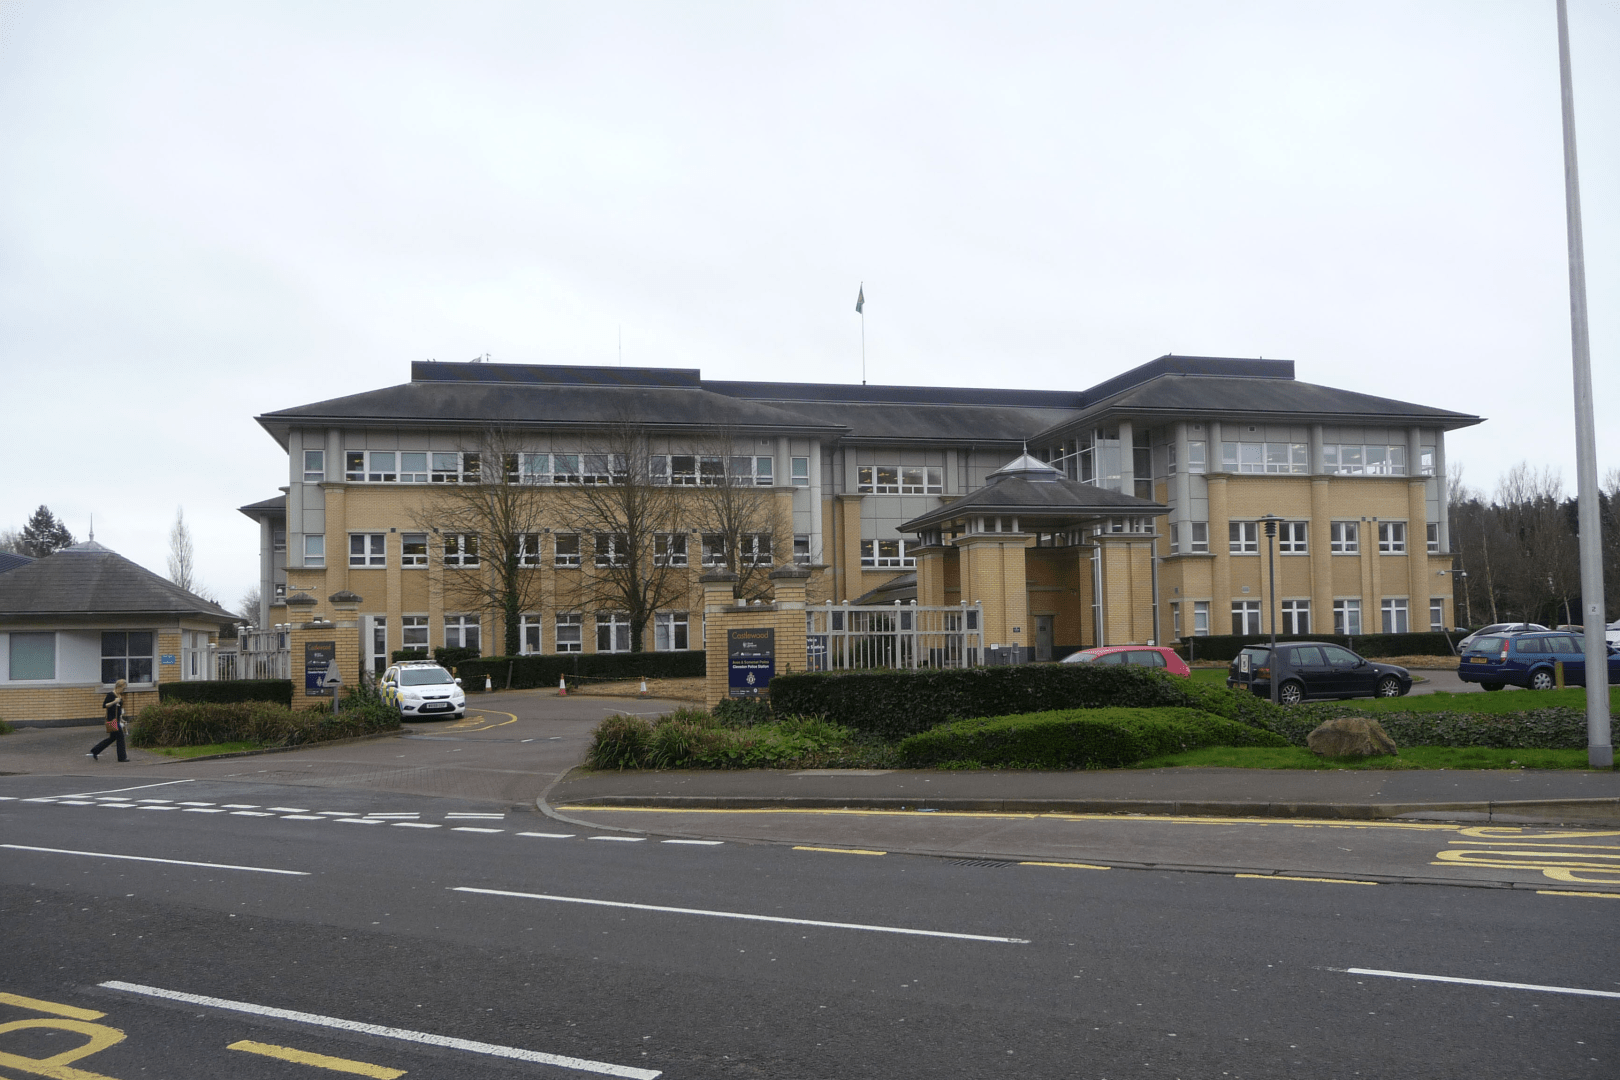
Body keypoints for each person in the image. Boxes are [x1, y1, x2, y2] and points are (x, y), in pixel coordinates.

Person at [88, 678, 129, 762]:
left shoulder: (119, 696)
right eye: (123, 688)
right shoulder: (111, 695)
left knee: (112, 738)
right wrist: (114, 702)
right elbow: (104, 705)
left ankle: (95, 750)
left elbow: (119, 709)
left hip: (117, 720)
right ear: (118, 687)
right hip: (112, 720)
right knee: (120, 737)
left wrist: (122, 719)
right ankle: (122, 757)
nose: (123, 690)